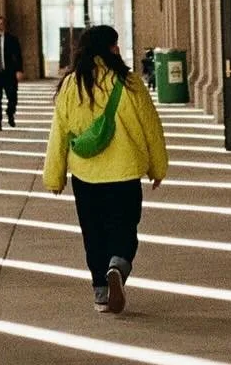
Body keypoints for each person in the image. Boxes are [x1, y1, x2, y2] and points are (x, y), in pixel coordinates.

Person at [43, 25, 168, 314]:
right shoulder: (130, 83)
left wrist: (54, 175)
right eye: (116, 45)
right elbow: (152, 128)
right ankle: (118, 266)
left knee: (93, 233)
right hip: (124, 173)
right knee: (125, 228)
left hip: (86, 175)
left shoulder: (71, 85)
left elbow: (59, 134)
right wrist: (158, 166)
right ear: (110, 49)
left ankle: (101, 291)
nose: (119, 50)